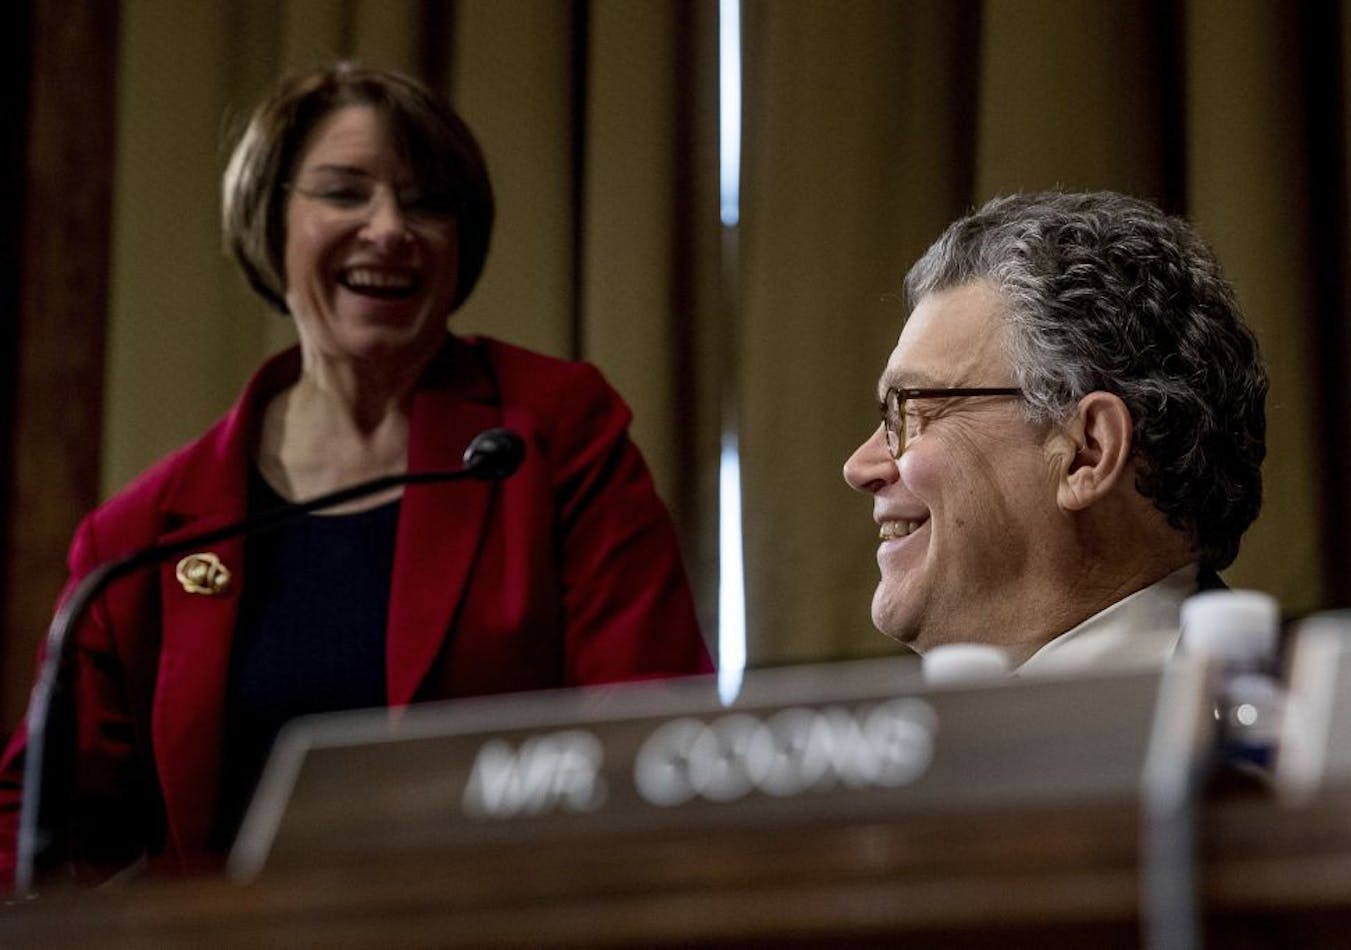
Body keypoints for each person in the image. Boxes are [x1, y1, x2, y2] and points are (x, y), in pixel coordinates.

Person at [0, 62, 711, 887]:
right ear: (271, 221)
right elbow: (33, 822)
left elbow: (650, 732)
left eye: (426, 202)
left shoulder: (552, 434)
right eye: (344, 193)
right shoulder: (142, 535)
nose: (390, 228)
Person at [843, 191, 1267, 673]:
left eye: (912, 410)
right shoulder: (944, 741)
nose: (860, 467)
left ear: (1087, 451)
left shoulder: (1286, 736)